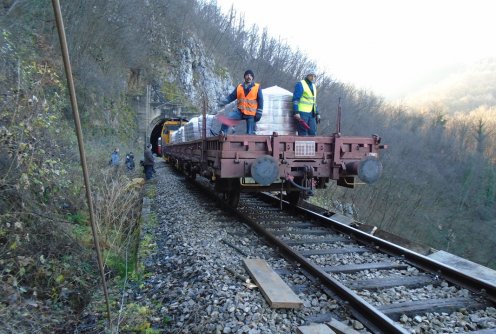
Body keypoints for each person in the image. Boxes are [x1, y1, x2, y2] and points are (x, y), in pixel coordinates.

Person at [214, 70, 263, 135]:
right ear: (244, 77)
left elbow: (260, 100)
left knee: (250, 133)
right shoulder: (239, 87)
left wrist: (259, 113)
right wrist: (224, 101)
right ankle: (222, 133)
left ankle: (249, 139)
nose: (249, 77)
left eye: (251, 75)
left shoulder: (257, 87)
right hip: (239, 112)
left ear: (252, 78)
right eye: (247, 75)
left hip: (251, 114)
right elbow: (232, 96)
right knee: (228, 118)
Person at [292, 68, 321, 136]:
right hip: (302, 113)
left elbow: (313, 101)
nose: (313, 77)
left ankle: (313, 146)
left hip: (312, 114)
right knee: (303, 133)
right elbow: (295, 99)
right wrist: (296, 112)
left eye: (314, 76)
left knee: (313, 132)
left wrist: (317, 113)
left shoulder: (313, 86)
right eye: (311, 75)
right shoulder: (300, 84)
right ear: (307, 75)